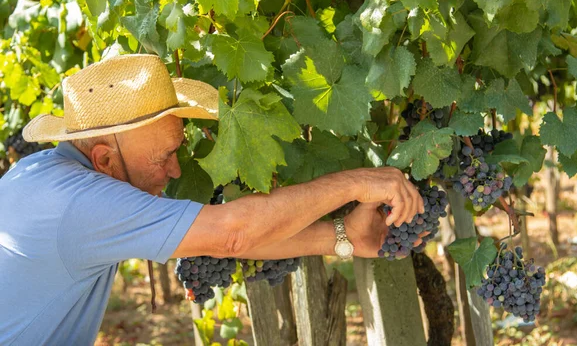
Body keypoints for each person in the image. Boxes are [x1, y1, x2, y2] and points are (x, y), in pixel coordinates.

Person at [0, 54, 424, 345]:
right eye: (164, 156)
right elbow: (230, 235)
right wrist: (357, 183)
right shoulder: (80, 206)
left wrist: (342, 236)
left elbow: (214, 235)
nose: (176, 171)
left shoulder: (42, 177)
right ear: (105, 159)